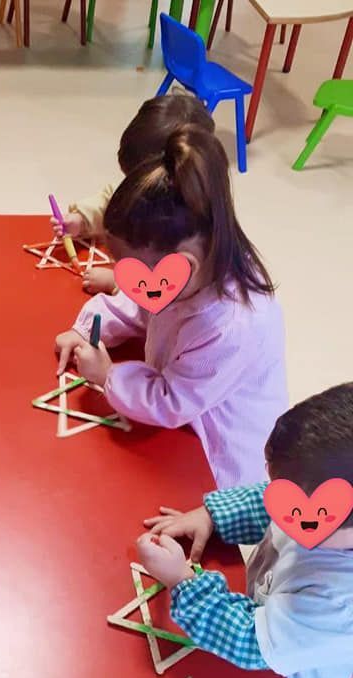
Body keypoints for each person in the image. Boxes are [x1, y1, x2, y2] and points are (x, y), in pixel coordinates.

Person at [55, 125, 287, 489]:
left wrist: (107, 376)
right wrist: (87, 326)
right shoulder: (187, 271)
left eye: (136, 273)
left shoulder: (232, 326)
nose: (127, 282)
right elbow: (139, 306)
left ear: (183, 265)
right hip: (181, 415)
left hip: (213, 449)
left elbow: (172, 400)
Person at [138, 382, 353, 678]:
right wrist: (211, 515)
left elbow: (250, 642)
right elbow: (269, 503)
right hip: (271, 619)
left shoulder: (338, 604)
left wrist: (182, 583)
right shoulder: (319, 504)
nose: (285, 512)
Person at [50, 94, 215, 295]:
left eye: (135, 180)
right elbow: (112, 198)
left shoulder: (186, 228)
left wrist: (117, 282)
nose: (129, 187)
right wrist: (82, 219)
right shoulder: (165, 190)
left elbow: (164, 293)